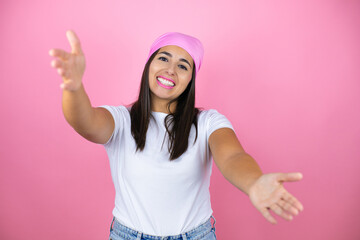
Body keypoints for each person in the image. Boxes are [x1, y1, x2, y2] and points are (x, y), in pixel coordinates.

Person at [49, 30, 304, 240]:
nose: (170, 70)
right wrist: (74, 88)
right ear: (149, 64)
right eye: (163, 59)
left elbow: (233, 156)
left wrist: (254, 182)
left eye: (183, 65)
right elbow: (85, 122)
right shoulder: (121, 120)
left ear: (191, 79)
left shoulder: (208, 122)